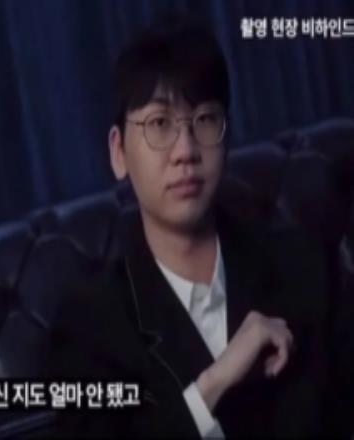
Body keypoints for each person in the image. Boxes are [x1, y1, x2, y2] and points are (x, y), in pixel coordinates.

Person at [44, 16, 351, 438]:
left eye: (204, 119)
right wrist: (214, 383)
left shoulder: (304, 266)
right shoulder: (89, 327)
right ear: (118, 153)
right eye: (160, 124)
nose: (185, 150)